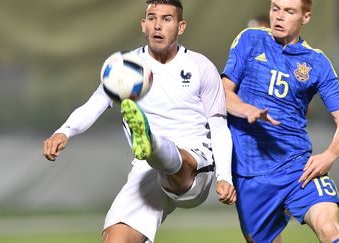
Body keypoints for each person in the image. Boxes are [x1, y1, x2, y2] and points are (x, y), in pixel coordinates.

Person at [43, 0, 236, 242]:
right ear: (143, 25)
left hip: (195, 163)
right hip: (146, 169)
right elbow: (95, 104)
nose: (158, 25)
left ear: (181, 27)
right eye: (152, 18)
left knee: (173, 161)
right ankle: (150, 144)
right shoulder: (126, 68)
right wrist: (64, 131)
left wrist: (224, 177)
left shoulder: (201, 66)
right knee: (115, 239)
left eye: (167, 19)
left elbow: (218, 127)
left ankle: (151, 142)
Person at [221, 0, 339, 242]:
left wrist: (330, 155)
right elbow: (223, 92)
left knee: (329, 229)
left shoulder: (317, 63)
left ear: (306, 17)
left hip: (297, 168)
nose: (279, 17)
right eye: (275, 8)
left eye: (289, 11)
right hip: (249, 174)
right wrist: (246, 109)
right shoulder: (250, 39)